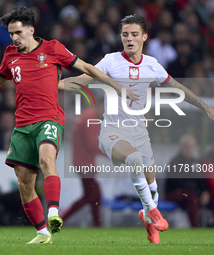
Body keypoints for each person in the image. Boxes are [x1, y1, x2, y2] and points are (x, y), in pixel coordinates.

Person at [0, 6, 137, 244]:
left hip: (49, 119)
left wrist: (116, 86)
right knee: (24, 183)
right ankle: (41, 233)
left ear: (31, 30)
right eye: (11, 34)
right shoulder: (10, 55)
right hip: (22, 125)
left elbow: (87, 68)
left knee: (47, 159)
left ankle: (54, 213)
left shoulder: (53, 48)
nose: (14, 38)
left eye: (18, 32)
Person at [60, 14, 214, 244]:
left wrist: (204, 106)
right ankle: (153, 211)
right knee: (134, 160)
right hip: (112, 131)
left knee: (152, 186)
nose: (129, 39)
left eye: (134, 34)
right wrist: (57, 84)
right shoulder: (110, 61)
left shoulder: (152, 65)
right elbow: (84, 78)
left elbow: (177, 88)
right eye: (124, 35)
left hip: (140, 133)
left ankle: (148, 217)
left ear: (144, 36)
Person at [60, 104, 104, 227]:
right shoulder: (91, 117)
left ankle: (97, 224)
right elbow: (92, 143)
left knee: (96, 195)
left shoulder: (85, 115)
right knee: (90, 195)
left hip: (81, 161)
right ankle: (60, 219)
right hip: (85, 162)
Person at [166, 135, 210, 227]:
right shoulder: (175, 162)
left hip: (192, 193)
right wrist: (198, 193)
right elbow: (178, 183)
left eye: (191, 146)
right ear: (181, 147)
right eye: (187, 146)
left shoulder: (195, 162)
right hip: (176, 192)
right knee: (192, 198)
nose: (189, 149)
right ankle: (195, 227)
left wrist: (205, 192)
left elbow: (202, 181)